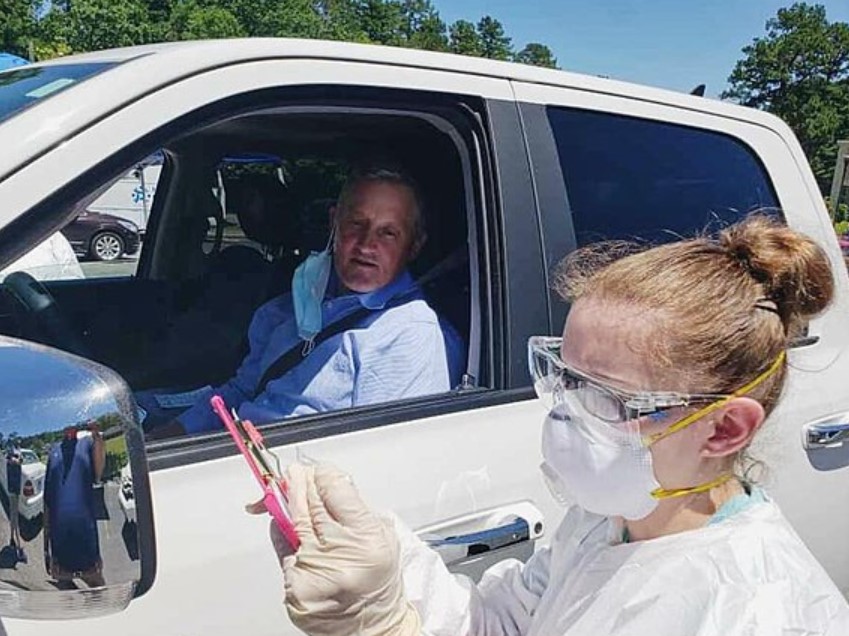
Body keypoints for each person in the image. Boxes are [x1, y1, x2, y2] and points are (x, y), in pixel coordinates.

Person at [265, 215, 849, 635]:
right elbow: (505, 623)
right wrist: (386, 580)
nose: (565, 413)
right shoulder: (606, 524)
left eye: (607, 397)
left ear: (723, 429)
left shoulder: (751, 612)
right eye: (564, 376)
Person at [145, 165, 463, 438]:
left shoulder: (410, 334)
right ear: (334, 222)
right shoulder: (294, 304)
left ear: (414, 246)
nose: (367, 245)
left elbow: (383, 454)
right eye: (356, 223)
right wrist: (169, 436)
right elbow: (241, 391)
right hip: (235, 449)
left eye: (388, 233)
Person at [43, 421, 106, 588]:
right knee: (67, 594)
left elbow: (98, 473)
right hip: (60, 544)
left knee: (98, 589)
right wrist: (46, 550)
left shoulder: (87, 443)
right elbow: (48, 503)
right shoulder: (54, 451)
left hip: (86, 538)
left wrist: (97, 437)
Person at [5, 450, 24, 562]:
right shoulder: (10, 460)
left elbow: (20, 460)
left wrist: (18, 458)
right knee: (14, 517)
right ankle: (18, 543)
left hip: (15, 491)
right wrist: (15, 459)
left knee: (14, 516)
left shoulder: (17, 459)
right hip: (13, 491)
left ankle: (13, 538)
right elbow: (13, 460)